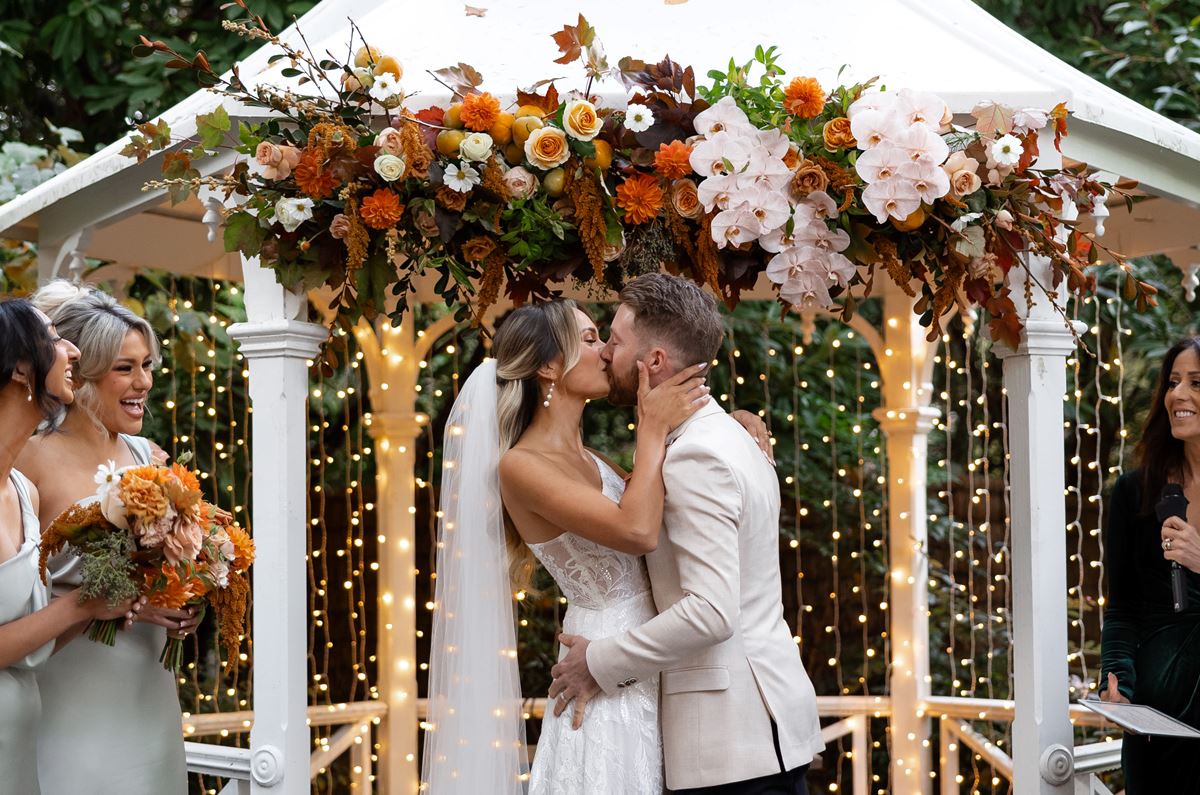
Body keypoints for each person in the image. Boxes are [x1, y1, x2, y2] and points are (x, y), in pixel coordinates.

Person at [420, 296, 774, 793]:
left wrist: (731, 424)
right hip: (599, 669)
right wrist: (651, 427)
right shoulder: (519, 467)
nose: (607, 352)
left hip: (646, 664)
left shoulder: (595, 460)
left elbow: (669, 507)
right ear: (548, 366)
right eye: (590, 340)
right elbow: (637, 531)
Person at [549, 274, 824, 794]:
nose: (607, 351)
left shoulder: (697, 454)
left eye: (615, 339)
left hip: (731, 738)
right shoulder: (719, 436)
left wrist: (599, 662)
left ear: (653, 361)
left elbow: (712, 611)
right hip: (753, 735)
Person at [16, 282, 197, 794]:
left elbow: (177, 568)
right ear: (81, 372)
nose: (143, 382)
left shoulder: (151, 458)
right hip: (71, 701)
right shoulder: (27, 460)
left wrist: (187, 600)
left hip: (149, 695)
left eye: (147, 366)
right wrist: (97, 600)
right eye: (125, 368)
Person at [0, 298, 141, 794]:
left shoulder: (22, 491)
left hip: (19, 743)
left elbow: (30, 648)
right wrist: (84, 602)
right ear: (22, 369)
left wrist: (112, 604)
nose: (73, 351)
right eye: (56, 340)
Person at [1101, 336, 1200, 793]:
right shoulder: (1134, 493)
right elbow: (1122, 606)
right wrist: (1115, 673)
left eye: (1197, 383)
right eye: (1173, 381)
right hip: (1155, 730)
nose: (1178, 394)